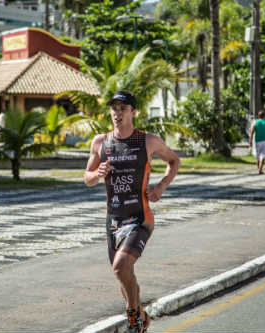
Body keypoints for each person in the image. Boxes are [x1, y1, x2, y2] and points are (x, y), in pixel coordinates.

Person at [84, 91, 180, 333]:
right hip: (113, 219)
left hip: (140, 217)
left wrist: (160, 186)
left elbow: (174, 160)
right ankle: (140, 316)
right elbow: (87, 177)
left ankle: (134, 319)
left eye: (122, 108)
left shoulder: (147, 141)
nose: (117, 113)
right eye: (114, 109)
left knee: (120, 267)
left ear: (133, 112)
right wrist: (98, 174)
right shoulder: (100, 142)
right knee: (124, 274)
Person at [249, 110, 265, 174]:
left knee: (258, 156)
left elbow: (251, 132)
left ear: (258, 116)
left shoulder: (255, 122)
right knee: (263, 155)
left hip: (257, 141)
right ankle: (260, 169)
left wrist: (250, 141)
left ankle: (259, 169)